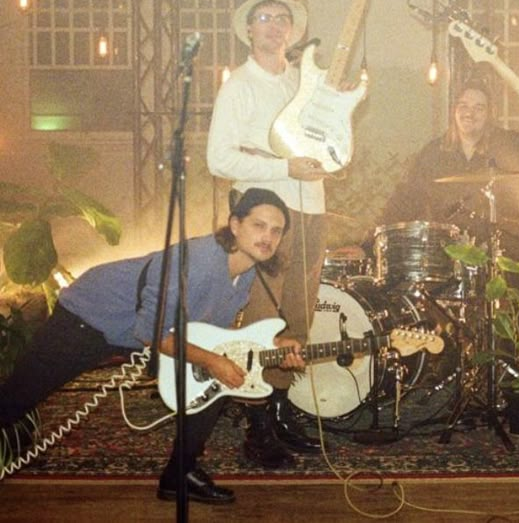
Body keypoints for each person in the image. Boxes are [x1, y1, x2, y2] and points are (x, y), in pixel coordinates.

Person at [0, 188, 301, 505]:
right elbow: (150, 331)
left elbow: (214, 336)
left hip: (139, 331)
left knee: (215, 382)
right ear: (235, 225)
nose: (268, 236)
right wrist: (213, 360)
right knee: (18, 399)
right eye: (259, 225)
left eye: (276, 230)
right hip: (89, 316)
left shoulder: (248, 273)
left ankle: (179, 475)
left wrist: (277, 347)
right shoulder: (197, 261)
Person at [206, 0, 328, 468]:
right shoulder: (239, 85)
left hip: (312, 210)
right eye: (264, 17)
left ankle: (278, 411)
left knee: (298, 316)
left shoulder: (303, 84)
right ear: (249, 29)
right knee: (264, 319)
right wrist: (284, 169)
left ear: (291, 30)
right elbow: (220, 159)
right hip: (265, 217)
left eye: (281, 18)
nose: (274, 25)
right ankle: (256, 427)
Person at [378, 78, 519, 272]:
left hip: (509, 250)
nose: (469, 113)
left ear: (490, 113)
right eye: (463, 106)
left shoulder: (511, 144)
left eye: (478, 108)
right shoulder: (432, 154)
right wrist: (367, 243)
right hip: (448, 254)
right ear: (454, 111)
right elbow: (404, 200)